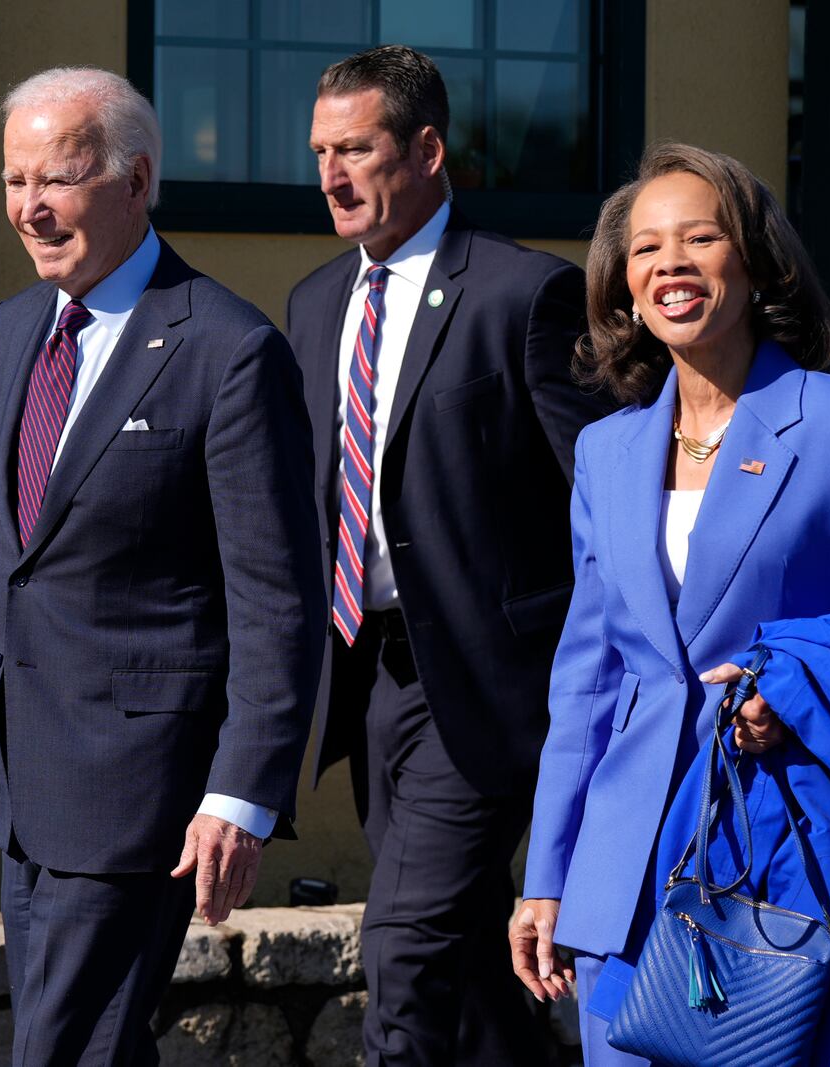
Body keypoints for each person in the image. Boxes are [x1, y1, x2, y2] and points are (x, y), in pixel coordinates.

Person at [0, 67, 325, 1066]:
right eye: (15, 180)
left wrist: (240, 791)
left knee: (62, 1053)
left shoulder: (228, 350)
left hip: (142, 795)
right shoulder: (10, 331)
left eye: (55, 179)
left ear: (134, 181)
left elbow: (277, 602)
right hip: (28, 796)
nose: (28, 207)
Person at [509, 142, 830, 1064]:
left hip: (790, 857)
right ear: (623, 287)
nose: (670, 266)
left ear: (760, 262)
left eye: (701, 238)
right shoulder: (607, 453)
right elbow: (587, 683)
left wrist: (797, 690)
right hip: (626, 872)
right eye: (645, 250)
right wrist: (548, 876)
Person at [287, 45, 609, 1065]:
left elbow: (600, 501)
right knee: (466, 957)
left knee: (404, 948)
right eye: (319, 152)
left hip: (486, 681)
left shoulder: (526, 293)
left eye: (355, 149)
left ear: (427, 149)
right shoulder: (313, 304)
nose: (331, 174)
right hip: (369, 673)